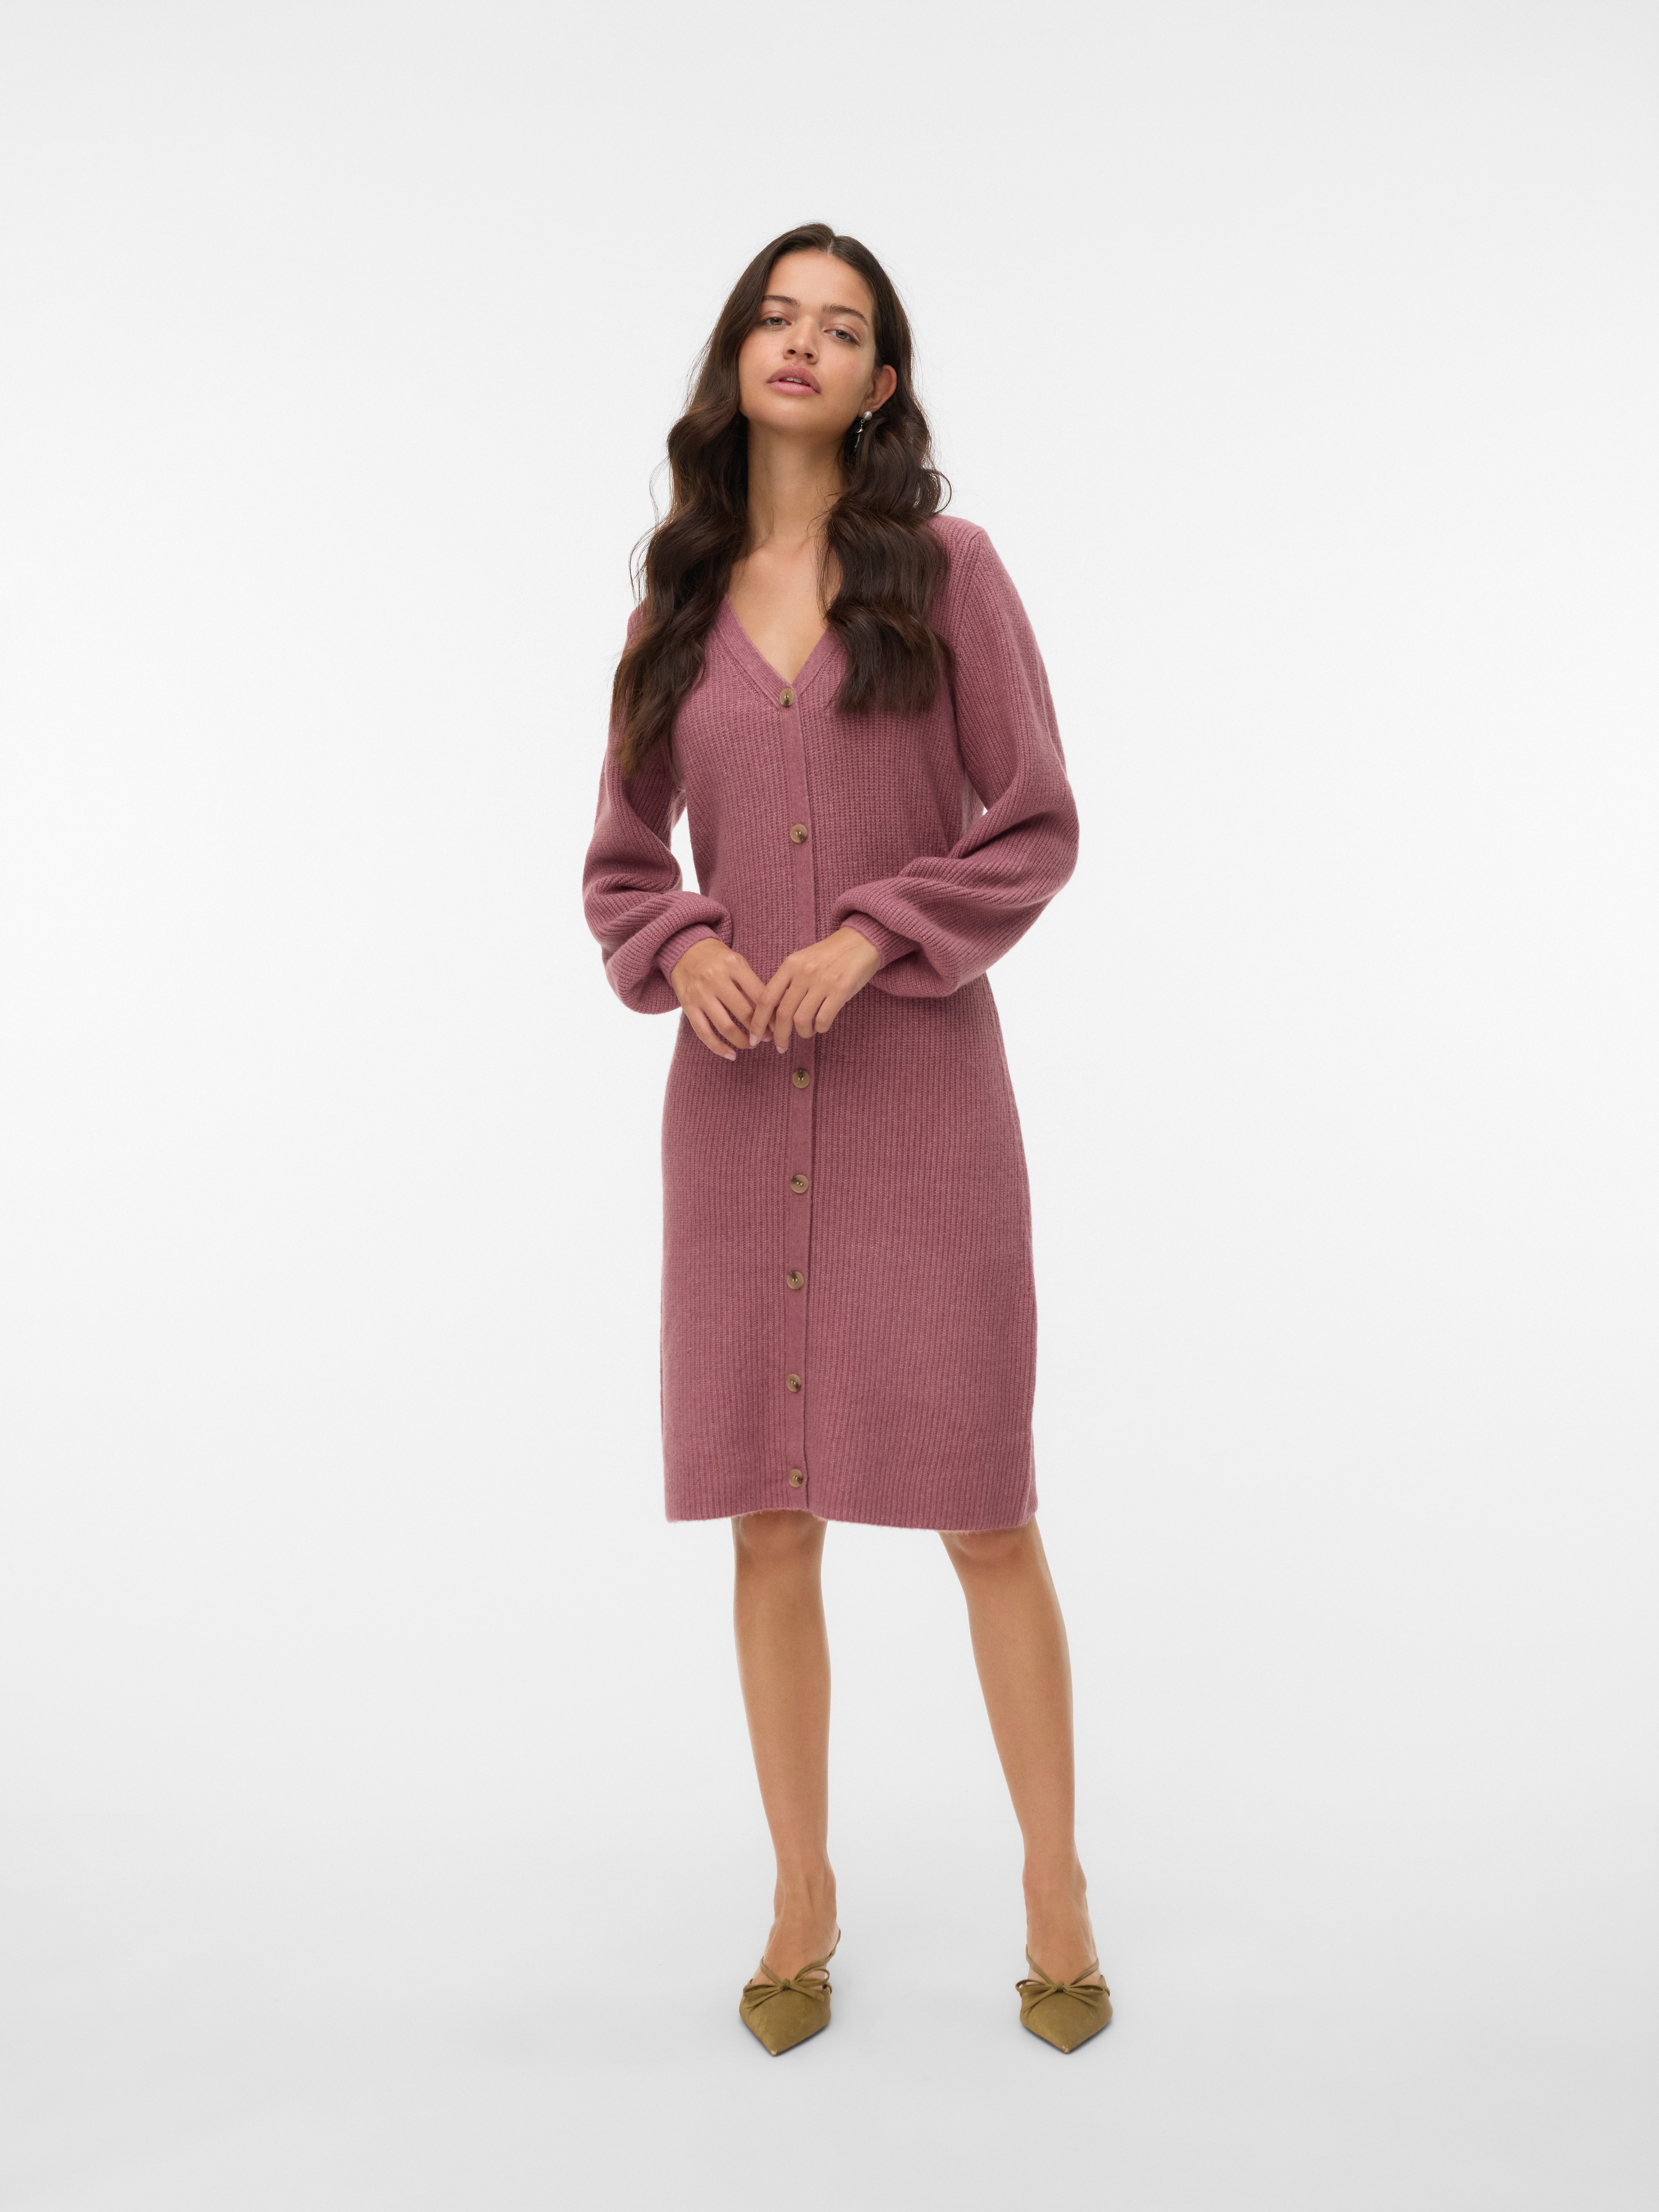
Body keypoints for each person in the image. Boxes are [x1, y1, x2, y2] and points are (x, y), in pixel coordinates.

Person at [580, 224, 1108, 2056]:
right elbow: (620, 864)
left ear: (883, 383)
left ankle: (1056, 1885)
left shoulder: (950, 575)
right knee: (768, 1520)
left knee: (985, 1514)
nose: (800, 344)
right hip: (736, 1121)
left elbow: (1034, 821)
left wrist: (875, 931)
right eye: (774, 317)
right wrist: (687, 945)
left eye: (842, 327)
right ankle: (800, 1893)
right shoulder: (671, 609)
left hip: (922, 1112)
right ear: (738, 357)